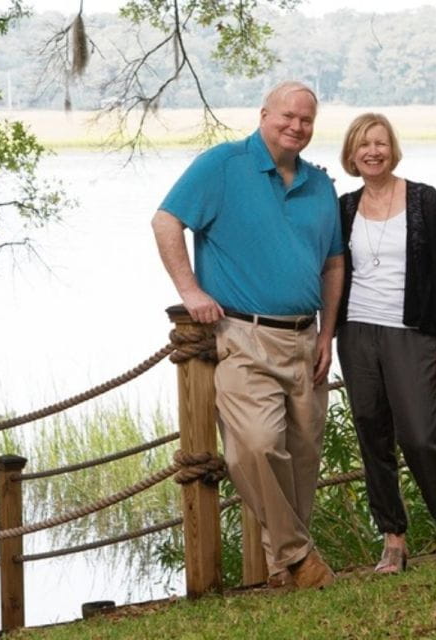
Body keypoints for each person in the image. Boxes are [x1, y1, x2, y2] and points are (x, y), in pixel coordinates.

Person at [151, 81, 344, 590]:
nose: (296, 126)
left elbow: (333, 262)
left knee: (302, 462)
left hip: (307, 340)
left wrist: (329, 332)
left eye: (306, 120)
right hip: (242, 335)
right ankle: (299, 557)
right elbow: (166, 221)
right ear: (264, 114)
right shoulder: (223, 166)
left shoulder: (320, 185)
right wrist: (190, 289)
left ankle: (285, 569)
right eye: (287, 116)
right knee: (253, 449)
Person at [335, 113, 436, 574]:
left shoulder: (423, 199)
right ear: (352, 154)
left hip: (413, 332)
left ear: (391, 148)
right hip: (356, 332)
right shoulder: (343, 207)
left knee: (420, 437)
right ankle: (393, 541)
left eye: (380, 143)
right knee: (371, 432)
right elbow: (328, 268)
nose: (373, 152)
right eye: (364, 145)